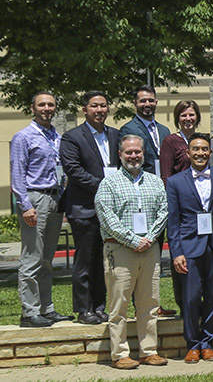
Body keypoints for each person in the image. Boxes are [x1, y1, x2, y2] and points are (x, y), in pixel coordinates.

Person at [96, 135, 170, 369]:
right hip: (120, 250)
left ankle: (149, 351)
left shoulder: (155, 182)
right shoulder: (109, 183)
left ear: (143, 154)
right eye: (128, 152)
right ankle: (120, 354)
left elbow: (163, 211)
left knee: (149, 303)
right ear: (120, 154)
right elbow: (107, 218)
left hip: (149, 249)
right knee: (119, 305)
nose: (133, 156)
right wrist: (133, 240)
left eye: (137, 152)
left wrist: (149, 238)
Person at [12, 91, 71, 328]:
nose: (47, 108)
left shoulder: (56, 136)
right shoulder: (23, 137)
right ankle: (29, 311)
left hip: (54, 199)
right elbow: (17, 174)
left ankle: (46, 308)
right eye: (42, 105)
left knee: (47, 259)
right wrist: (25, 206)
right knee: (32, 257)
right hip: (35, 199)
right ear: (33, 108)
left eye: (51, 105)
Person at [61, 91, 120, 326]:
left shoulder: (115, 135)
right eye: (94, 106)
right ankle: (84, 308)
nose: (99, 110)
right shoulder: (72, 137)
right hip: (84, 208)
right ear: (84, 109)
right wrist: (103, 185)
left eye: (103, 106)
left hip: (108, 210)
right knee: (85, 260)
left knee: (102, 261)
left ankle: (99, 306)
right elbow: (73, 170)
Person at [165, 134, 213, 363]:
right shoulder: (175, 182)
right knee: (190, 298)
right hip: (189, 246)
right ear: (188, 153)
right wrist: (176, 252)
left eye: (204, 149)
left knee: (212, 296)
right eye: (195, 149)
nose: (200, 153)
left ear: (210, 152)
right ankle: (192, 344)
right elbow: (173, 220)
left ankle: (207, 343)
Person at [119, 85, 170, 176]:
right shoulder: (128, 129)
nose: (147, 104)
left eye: (151, 100)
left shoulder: (164, 131)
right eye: (143, 101)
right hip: (141, 179)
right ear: (135, 103)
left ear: (156, 102)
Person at [158, 100, 201, 182]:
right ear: (177, 118)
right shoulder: (170, 141)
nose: (188, 118)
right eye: (183, 115)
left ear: (197, 117)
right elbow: (166, 175)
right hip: (180, 187)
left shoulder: (202, 140)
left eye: (191, 115)